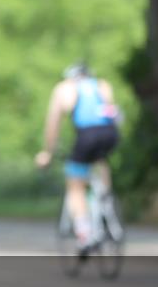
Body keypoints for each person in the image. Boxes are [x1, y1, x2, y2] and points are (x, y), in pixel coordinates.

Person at [35, 63, 119, 249]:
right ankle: (106, 201)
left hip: (86, 135)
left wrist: (47, 152)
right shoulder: (102, 85)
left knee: (75, 185)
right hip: (110, 133)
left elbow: (53, 124)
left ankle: (84, 233)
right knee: (100, 160)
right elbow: (113, 113)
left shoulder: (64, 88)